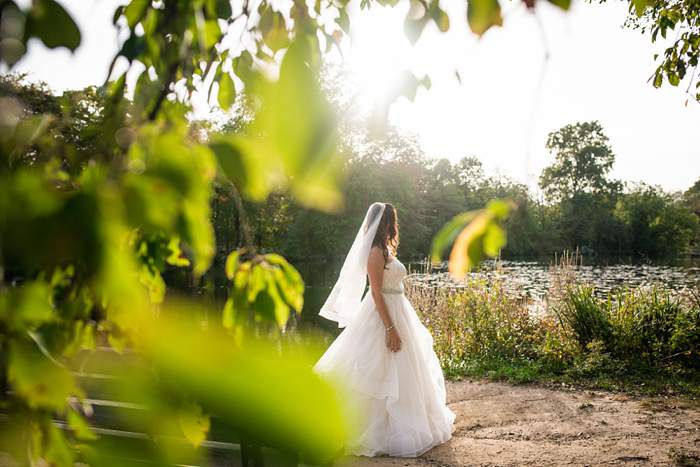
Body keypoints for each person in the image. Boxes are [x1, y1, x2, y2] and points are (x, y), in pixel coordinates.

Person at [314, 202, 455, 457]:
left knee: (405, 369)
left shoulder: (386, 250)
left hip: (399, 309)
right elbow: (376, 292)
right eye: (391, 220)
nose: (393, 225)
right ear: (384, 223)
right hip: (382, 315)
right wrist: (389, 327)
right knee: (377, 368)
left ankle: (405, 421)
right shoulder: (375, 252)